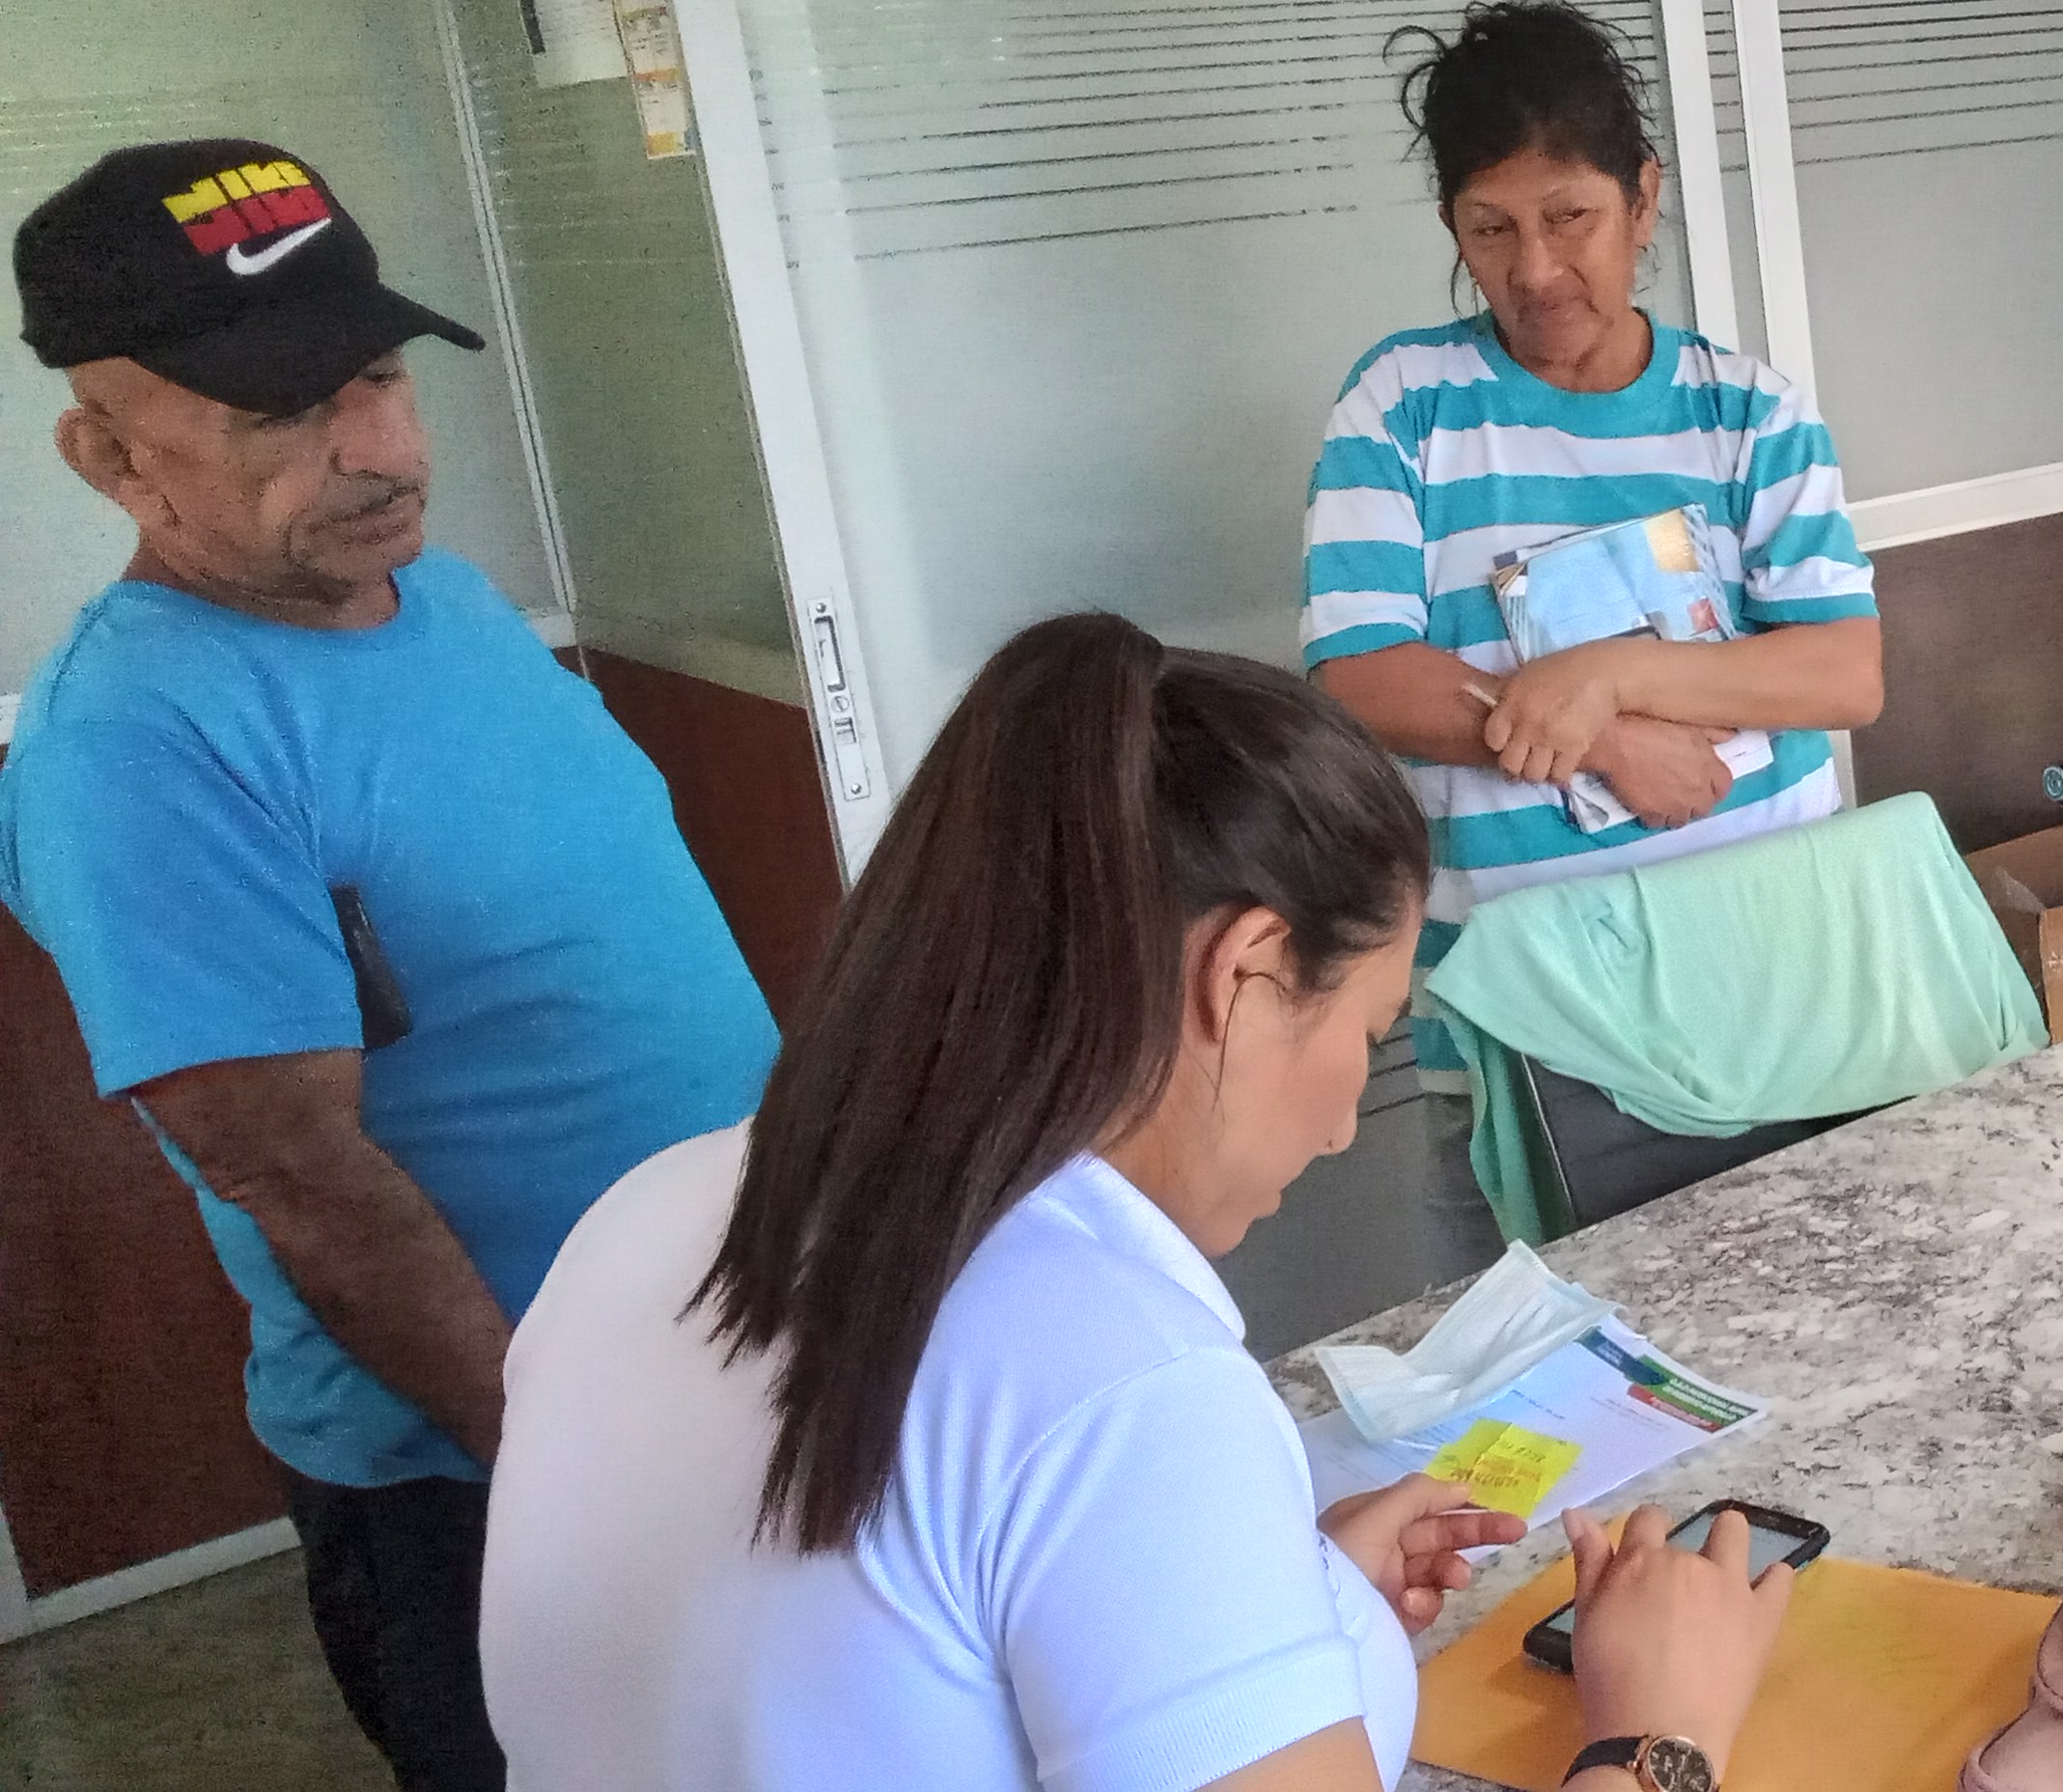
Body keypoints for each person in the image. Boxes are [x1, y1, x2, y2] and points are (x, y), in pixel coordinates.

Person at [480, 613, 1794, 1792]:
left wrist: (1279, 1598)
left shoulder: (648, 1214)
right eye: (1371, 1030)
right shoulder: (1120, 1379)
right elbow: (1060, 1461)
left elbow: (872, 1653)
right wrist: (1657, 1734)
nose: (1345, 1124)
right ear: (1248, 971)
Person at [2, 141, 779, 1791]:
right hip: (498, 1478)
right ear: (108, 455)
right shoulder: (138, 740)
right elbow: (302, 1179)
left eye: (376, 373)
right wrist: (569, 1480)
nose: (378, 447)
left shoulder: (450, 601)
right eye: (284, 411)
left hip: (732, 1376)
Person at [1304, 0, 1883, 1086]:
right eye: (1490, 228)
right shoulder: (1403, 405)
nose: (1533, 270)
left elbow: (1844, 674)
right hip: (1532, 1010)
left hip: (1777, 973)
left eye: (1569, 216)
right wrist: (1602, 739)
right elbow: (1359, 679)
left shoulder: (1748, 411)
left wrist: (1610, 675)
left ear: (1642, 199)